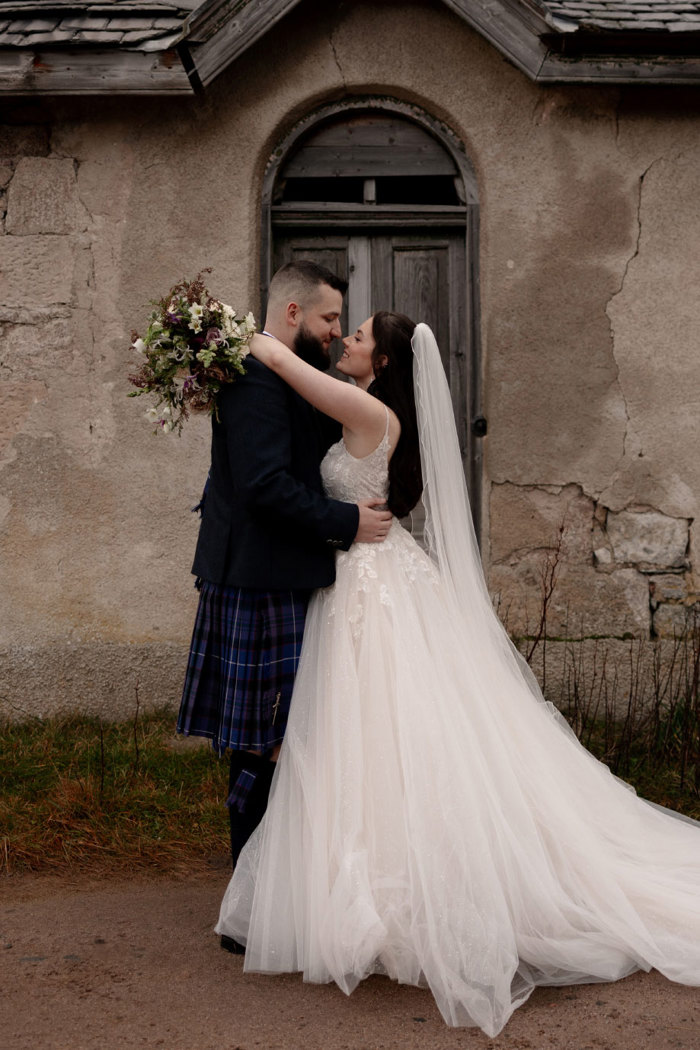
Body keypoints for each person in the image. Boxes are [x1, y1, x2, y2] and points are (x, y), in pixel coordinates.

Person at [215, 312, 700, 1036]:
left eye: (356, 336)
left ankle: (395, 893)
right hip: (368, 576)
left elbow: (285, 369)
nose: (344, 341)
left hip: (369, 586)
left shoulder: (369, 408)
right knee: (376, 731)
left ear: (382, 358)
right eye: (340, 331)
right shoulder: (377, 411)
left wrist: (221, 330)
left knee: (375, 727)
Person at [177, 262, 392, 944]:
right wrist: (345, 522)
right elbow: (267, 486)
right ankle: (254, 905)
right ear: (294, 313)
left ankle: (271, 895)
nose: (336, 334)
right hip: (257, 578)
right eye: (331, 320)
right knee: (261, 743)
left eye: (345, 327)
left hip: (282, 574)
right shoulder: (252, 379)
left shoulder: (285, 373)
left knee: (279, 742)